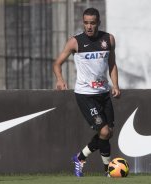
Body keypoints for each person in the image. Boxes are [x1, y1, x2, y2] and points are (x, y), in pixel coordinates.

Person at [53, 7, 120, 177]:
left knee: (108, 133)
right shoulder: (75, 42)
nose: (89, 26)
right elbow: (57, 63)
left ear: (98, 23)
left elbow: (111, 64)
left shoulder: (108, 39)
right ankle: (108, 171)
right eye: (86, 23)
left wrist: (115, 85)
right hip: (85, 95)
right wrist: (60, 80)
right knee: (104, 132)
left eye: (92, 23)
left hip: (104, 93)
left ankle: (80, 157)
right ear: (83, 23)